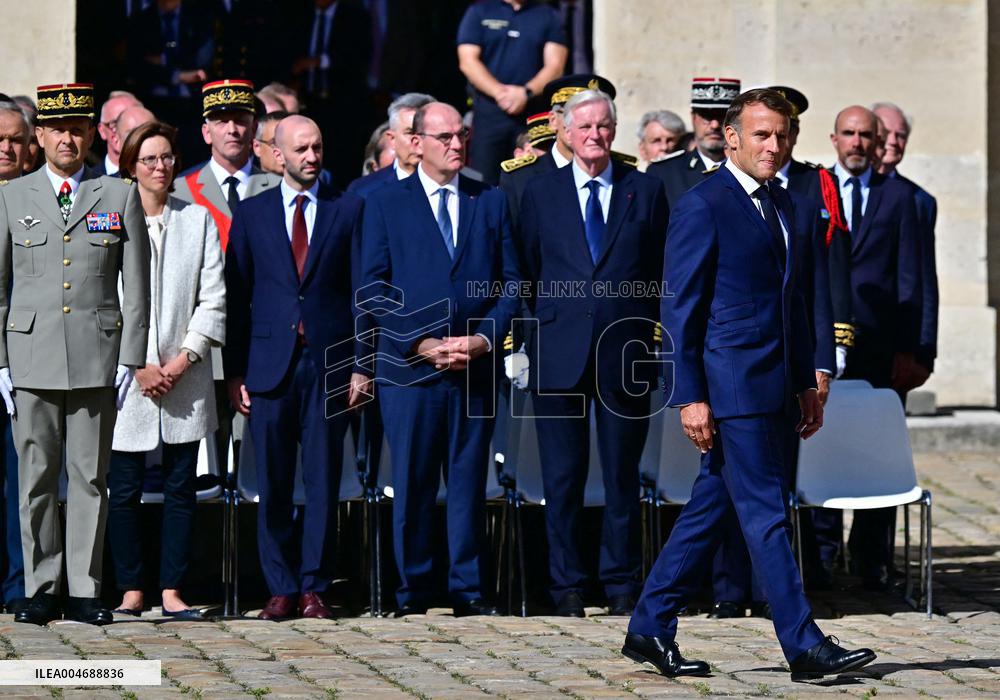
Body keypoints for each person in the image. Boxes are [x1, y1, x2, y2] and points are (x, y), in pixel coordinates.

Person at [625, 88, 875, 682]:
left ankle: (649, 625)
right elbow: (681, 308)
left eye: (783, 136)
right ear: (731, 137)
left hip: (780, 383)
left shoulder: (790, 202)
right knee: (765, 513)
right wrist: (690, 395)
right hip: (730, 383)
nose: (775, 145)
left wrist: (813, 373)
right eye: (762, 134)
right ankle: (804, 644)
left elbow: (803, 295)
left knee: (712, 508)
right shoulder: (703, 204)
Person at [359, 102, 521, 617]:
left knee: (469, 480)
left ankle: (468, 588)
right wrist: (420, 344)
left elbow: (512, 283)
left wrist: (484, 339)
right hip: (409, 369)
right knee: (412, 480)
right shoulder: (385, 202)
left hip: (473, 367)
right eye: (444, 137)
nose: (456, 144)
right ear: (416, 142)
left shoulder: (489, 200)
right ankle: (413, 590)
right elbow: (373, 286)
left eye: (461, 136)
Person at [0, 83, 151, 625]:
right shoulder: (13, 197)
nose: (69, 138)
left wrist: (131, 358)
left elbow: (137, 285)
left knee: (89, 477)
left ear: (92, 134)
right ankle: (41, 585)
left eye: (79, 128)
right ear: (38, 136)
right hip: (31, 355)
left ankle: (85, 588)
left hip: (96, 356)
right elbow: (0, 285)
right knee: (35, 477)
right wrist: (0, 360)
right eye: (58, 129)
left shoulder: (118, 195)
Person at [518, 88, 666, 617]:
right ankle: (566, 588)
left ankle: (622, 584)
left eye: (603, 126)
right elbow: (530, 270)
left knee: (622, 476)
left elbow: (657, 271)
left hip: (624, 354)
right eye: (584, 127)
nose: (594, 136)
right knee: (562, 478)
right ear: (564, 131)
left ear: (614, 129)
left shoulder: (644, 192)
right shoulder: (540, 192)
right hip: (559, 351)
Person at [224, 115, 369, 620]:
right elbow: (237, 294)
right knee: (275, 480)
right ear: (277, 155)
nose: (312, 156)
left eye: (318, 146)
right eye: (301, 148)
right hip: (268, 366)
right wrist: (234, 371)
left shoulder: (347, 209)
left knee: (324, 479)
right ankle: (281, 586)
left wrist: (361, 366)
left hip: (330, 363)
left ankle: (314, 586)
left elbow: (361, 294)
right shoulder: (253, 213)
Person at [108, 121, 226, 620]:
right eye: (150, 159)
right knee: (125, 487)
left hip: (185, 373)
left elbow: (213, 299)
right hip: (127, 375)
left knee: (181, 485)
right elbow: (99, 297)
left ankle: (173, 588)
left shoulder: (197, 220)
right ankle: (132, 587)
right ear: (131, 167)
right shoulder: (108, 221)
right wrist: (135, 364)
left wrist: (182, 359)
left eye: (168, 157)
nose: (161, 167)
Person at [816, 105, 922, 590]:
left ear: (878, 142)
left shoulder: (900, 198)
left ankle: (871, 557)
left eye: (866, 136)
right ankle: (819, 554)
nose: (857, 143)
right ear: (834, 138)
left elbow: (916, 278)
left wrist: (920, 349)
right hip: (824, 345)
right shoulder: (812, 188)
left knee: (876, 451)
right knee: (819, 443)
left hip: (880, 349)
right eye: (849, 134)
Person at [457, 0, 568, 184]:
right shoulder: (479, 11)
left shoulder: (548, 15)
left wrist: (526, 93)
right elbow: (468, 61)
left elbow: (555, 66)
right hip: (489, 115)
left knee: (534, 179)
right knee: (482, 181)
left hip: (532, 116)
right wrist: (499, 93)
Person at [499, 74, 624, 228]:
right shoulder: (521, 178)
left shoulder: (627, 175)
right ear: (553, 121)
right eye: (572, 116)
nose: (592, 133)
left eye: (601, 124)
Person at [872, 101, 938, 390]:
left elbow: (924, 279)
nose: (893, 142)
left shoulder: (920, 200)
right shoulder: (831, 187)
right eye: (886, 133)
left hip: (896, 348)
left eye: (901, 136)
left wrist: (924, 352)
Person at [0, 97, 30, 615]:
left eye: (15, 139)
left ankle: (19, 583)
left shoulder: (41, 200)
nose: (6, 148)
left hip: (25, 361)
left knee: (25, 483)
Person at [647, 77, 740, 208]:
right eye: (706, 116)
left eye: (722, 116)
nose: (714, 125)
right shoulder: (664, 173)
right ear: (693, 118)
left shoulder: (749, 171)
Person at [347, 92, 435, 198]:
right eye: (410, 132)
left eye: (425, 133)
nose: (418, 140)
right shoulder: (364, 191)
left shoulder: (454, 185)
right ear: (392, 138)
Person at [94, 91, 142, 176]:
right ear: (102, 130)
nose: (123, 131)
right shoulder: (87, 181)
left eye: (131, 124)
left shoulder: (160, 176)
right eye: (115, 124)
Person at [253, 110, 289, 176]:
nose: (284, 150)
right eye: (276, 143)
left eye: (290, 142)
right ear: (257, 147)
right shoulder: (248, 185)